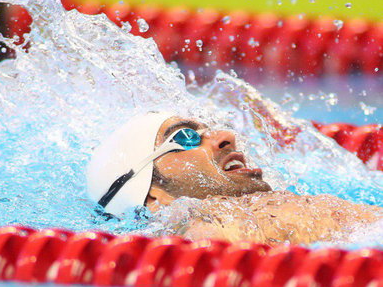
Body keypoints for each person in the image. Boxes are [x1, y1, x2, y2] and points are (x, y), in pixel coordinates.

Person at [86, 112, 380, 245]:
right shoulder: (210, 226)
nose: (226, 137)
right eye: (185, 137)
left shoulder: (246, 213)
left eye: (211, 129)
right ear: (152, 195)